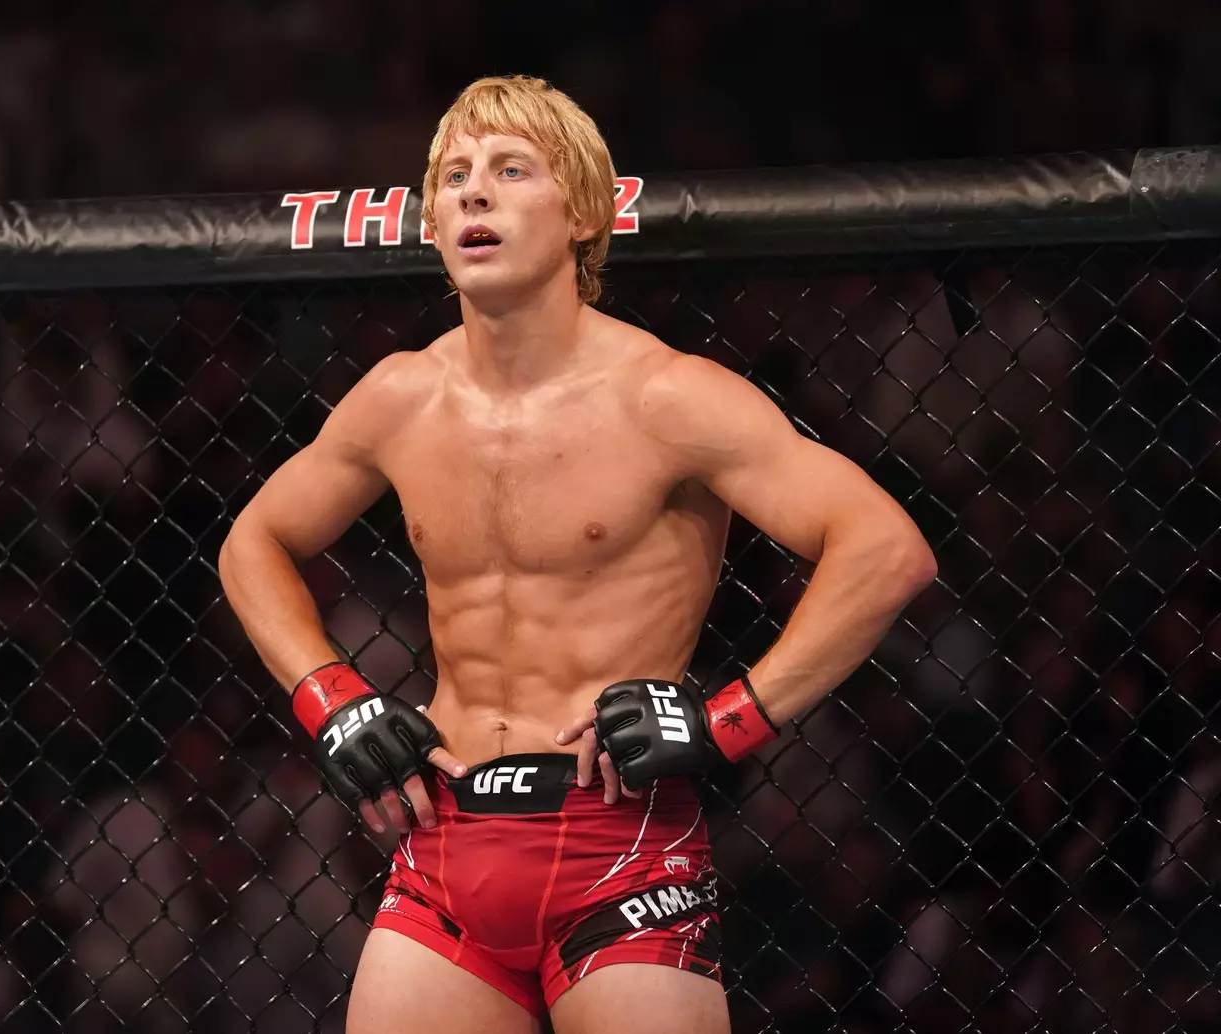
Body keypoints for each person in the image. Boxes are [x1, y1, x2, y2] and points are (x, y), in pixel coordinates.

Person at [218, 75, 937, 1034]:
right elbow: (253, 542)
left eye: (512, 170)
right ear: (433, 223)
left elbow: (886, 548)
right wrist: (333, 699)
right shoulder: (400, 397)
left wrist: (732, 719)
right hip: (444, 844)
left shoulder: (668, 397)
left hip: (621, 846)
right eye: (455, 176)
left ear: (584, 215)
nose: (475, 192)